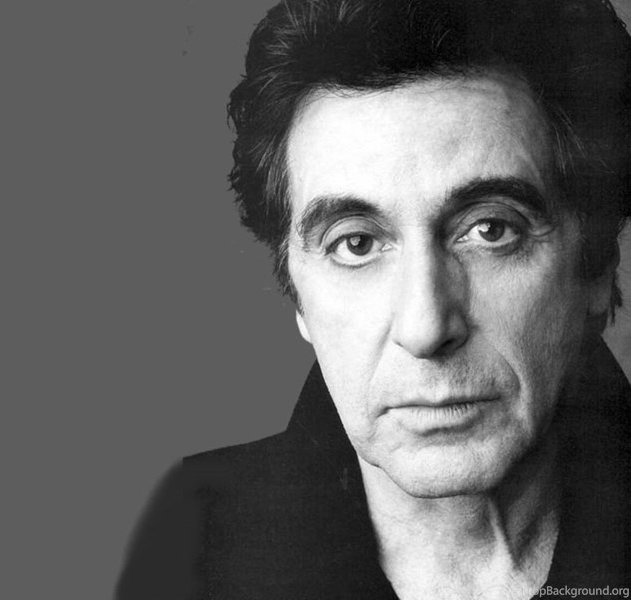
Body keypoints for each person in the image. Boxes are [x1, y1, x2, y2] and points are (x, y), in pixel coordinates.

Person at [117, 0, 631, 597]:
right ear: (296, 294)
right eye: (355, 243)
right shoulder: (187, 554)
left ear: (598, 267)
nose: (425, 327)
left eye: (491, 230)